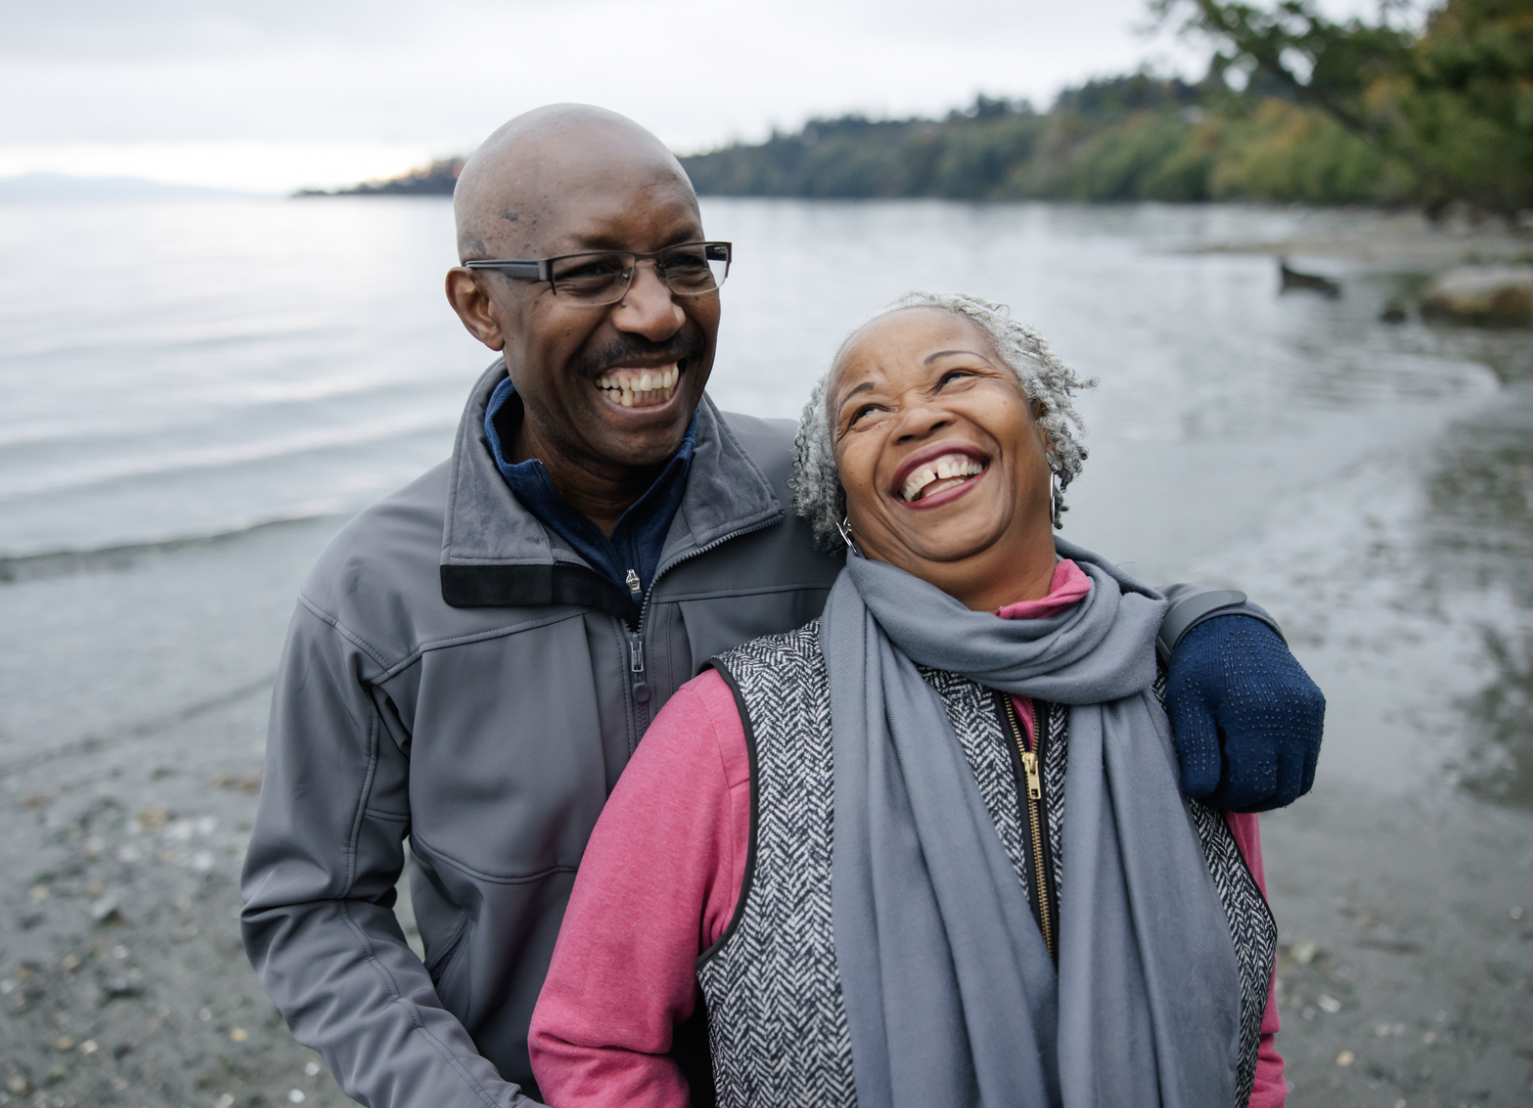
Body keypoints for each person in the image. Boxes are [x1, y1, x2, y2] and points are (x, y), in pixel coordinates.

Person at [240, 105, 1323, 1108]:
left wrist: (1202, 622)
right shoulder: (375, 597)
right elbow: (315, 910)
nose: (657, 310)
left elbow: (996, 552)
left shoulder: (805, 495)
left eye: (683, 261)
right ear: (482, 305)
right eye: (589, 272)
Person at [530, 293, 1288, 1108]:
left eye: (957, 376)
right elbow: (593, 1041)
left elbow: (1249, 1032)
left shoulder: (1188, 689)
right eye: (866, 413)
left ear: (1044, 425)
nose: (919, 419)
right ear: (842, 504)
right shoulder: (727, 733)